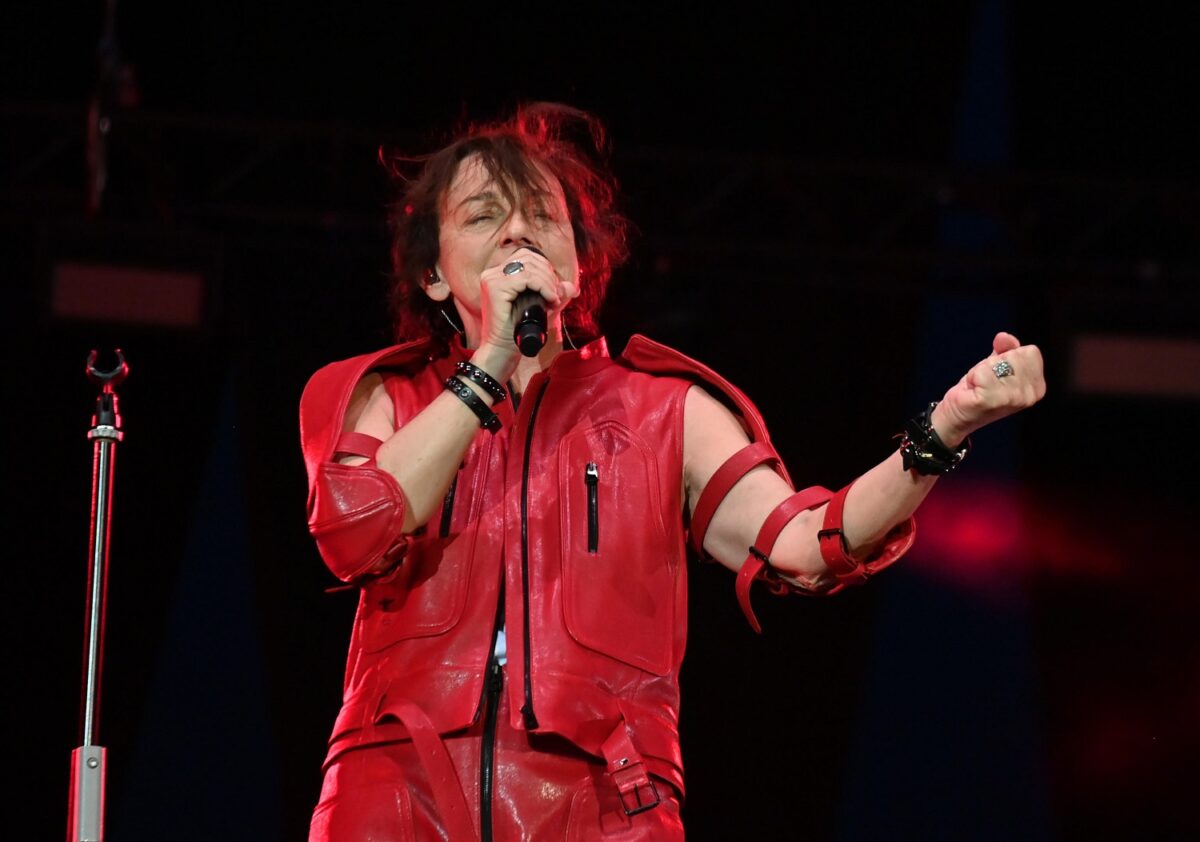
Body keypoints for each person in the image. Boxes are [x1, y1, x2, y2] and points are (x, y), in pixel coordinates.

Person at [299, 102, 1045, 841]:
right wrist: (489, 363)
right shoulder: (379, 394)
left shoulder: (666, 409)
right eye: (483, 215)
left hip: (603, 808)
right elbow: (354, 531)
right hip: (395, 799)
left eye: (541, 215)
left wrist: (944, 429)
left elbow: (810, 544)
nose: (517, 231)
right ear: (433, 275)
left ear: (576, 265)